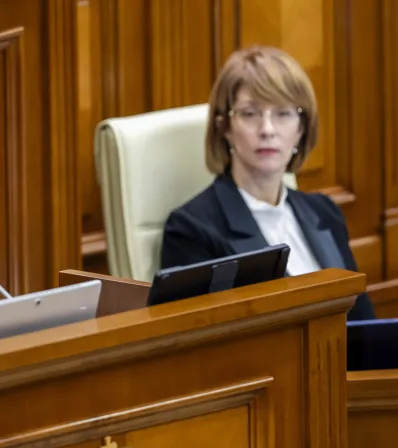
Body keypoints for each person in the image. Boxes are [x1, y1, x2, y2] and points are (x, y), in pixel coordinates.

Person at [160, 46, 375, 321]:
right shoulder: (191, 230)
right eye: (250, 113)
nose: (267, 129)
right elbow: (203, 348)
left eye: (283, 113)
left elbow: (365, 324)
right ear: (224, 127)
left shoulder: (324, 212)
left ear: (301, 129)